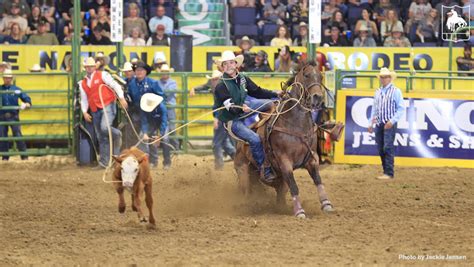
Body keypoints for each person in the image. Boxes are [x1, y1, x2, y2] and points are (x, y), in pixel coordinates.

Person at [214, 50, 279, 182]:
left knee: (271, 103)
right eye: (225, 64)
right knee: (254, 139)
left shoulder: (243, 78)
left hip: (246, 106)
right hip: (232, 120)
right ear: (223, 67)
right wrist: (241, 109)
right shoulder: (221, 86)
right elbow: (230, 107)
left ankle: (268, 127)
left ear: (235, 64)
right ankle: (264, 169)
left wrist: (275, 93)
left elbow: (258, 91)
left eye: (231, 62)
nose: (229, 65)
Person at [79, 57, 128, 169]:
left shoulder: (103, 75)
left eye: (91, 66)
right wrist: (85, 112)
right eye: (87, 66)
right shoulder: (83, 83)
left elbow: (115, 85)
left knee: (104, 128)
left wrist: (121, 98)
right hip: (95, 108)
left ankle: (117, 134)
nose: (89, 68)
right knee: (101, 136)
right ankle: (104, 162)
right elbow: (84, 99)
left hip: (107, 105)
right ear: (85, 68)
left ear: (94, 67)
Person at [127, 61, 169, 169]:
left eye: (141, 70)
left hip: (156, 114)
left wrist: (161, 133)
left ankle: (167, 162)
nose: (139, 72)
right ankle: (150, 161)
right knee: (144, 136)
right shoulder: (132, 84)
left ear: (146, 72)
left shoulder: (153, 83)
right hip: (142, 111)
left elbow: (163, 114)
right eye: (137, 70)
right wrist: (145, 131)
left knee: (165, 138)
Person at [368, 68, 405, 180]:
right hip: (379, 123)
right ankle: (386, 171)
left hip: (389, 123)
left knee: (387, 147)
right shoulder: (378, 91)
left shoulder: (396, 91)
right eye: (382, 77)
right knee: (381, 148)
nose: (383, 79)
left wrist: (392, 121)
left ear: (390, 78)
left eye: (386, 77)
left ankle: (389, 172)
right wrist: (370, 123)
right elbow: (374, 108)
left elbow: (401, 108)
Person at [0, 69, 31, 161]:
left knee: (17, 135)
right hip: (2, 116)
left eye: (9, 78)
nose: (7, 79)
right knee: (2, 136)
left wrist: (26, 104)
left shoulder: (17, 89)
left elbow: (27, 100)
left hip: (13, 116)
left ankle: (24, 156)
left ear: (12, 78)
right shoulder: (2, 89)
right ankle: (5, 157)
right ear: (3, 78)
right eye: (6, 78)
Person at [208, 70, 236, 170]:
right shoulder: (221, 88)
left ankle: (219, 166)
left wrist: (216, 118)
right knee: (223, 142)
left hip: (222, 118)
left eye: (215, 79)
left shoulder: (221, 89)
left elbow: (221, 105)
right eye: (213, 80)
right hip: (225, 118)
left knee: (216, 143)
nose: (213, 81)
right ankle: (236, 157)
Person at [157, 64, 179, 158]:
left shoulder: (172, 82)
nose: (164, 74)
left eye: (166, 72)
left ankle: (176, 149)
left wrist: (160, 93)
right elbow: (166, 92)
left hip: (169, 108)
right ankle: (170, 150)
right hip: (162, 107)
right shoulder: (159, 83)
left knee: (172, 129)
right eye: (163, 72)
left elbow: (168, 93)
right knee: (164, 129)